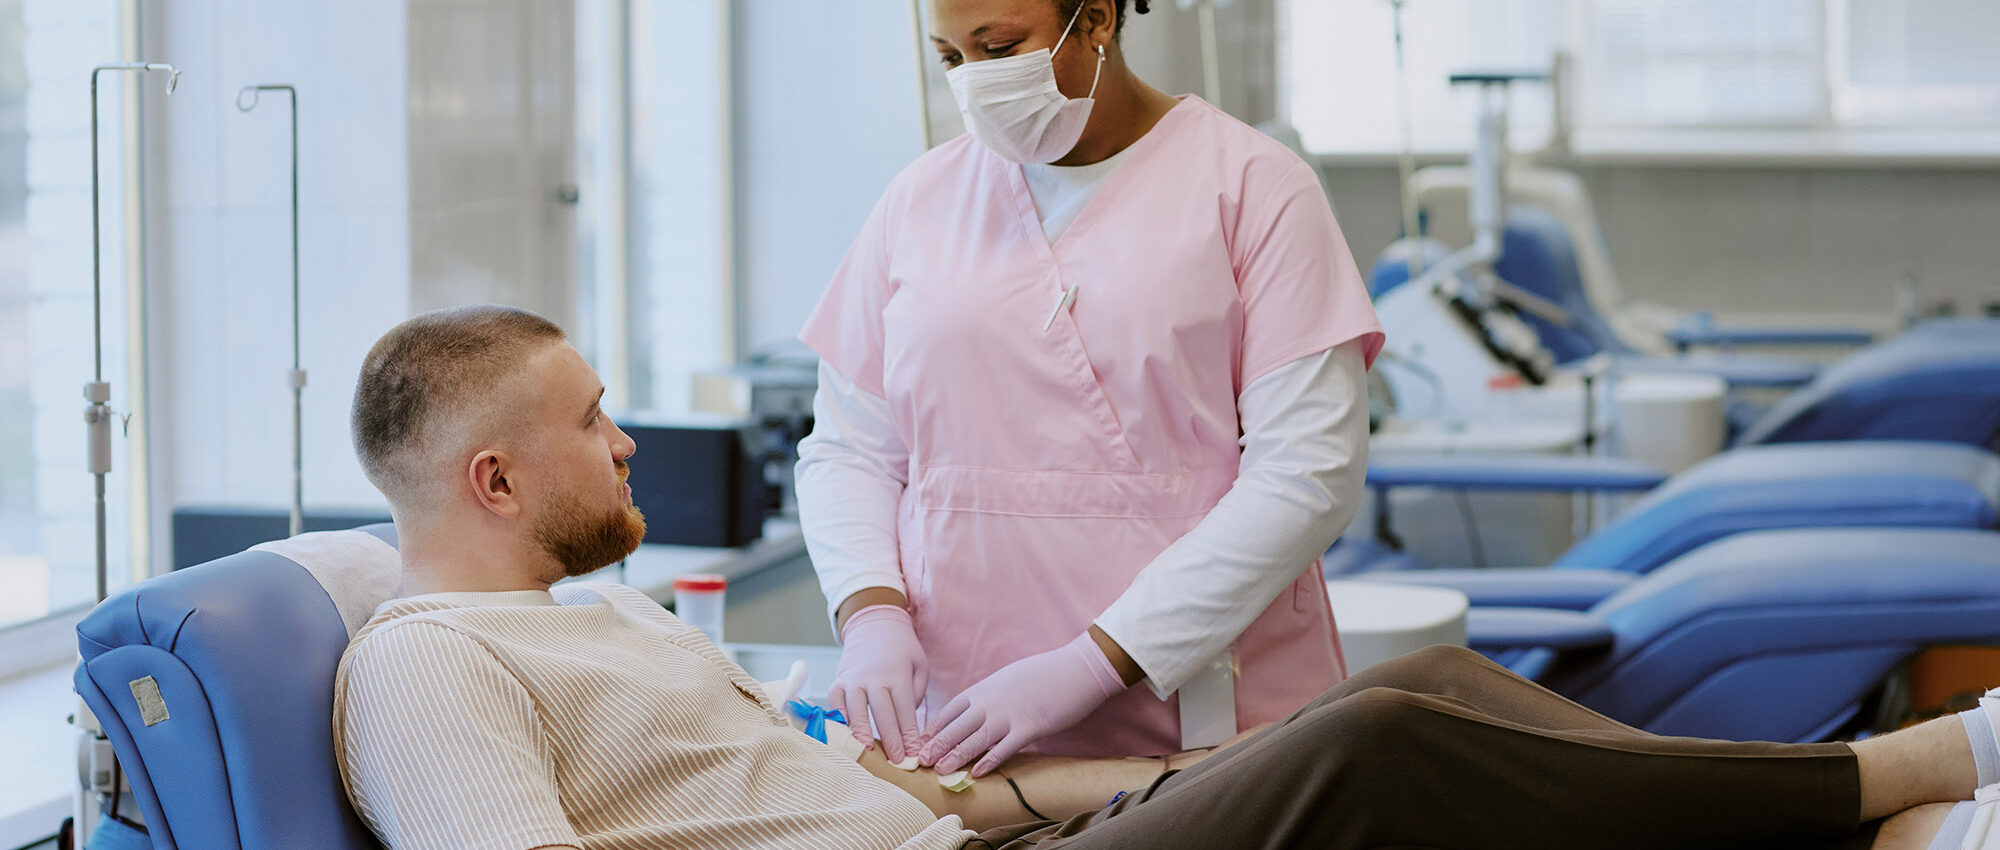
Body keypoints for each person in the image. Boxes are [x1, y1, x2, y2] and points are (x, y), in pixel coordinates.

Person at [336, 306, 1993, 850]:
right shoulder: (424, 668)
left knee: (1395, 696)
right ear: (491, 479)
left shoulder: (605, 619)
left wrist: (1151, 777)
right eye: (592, 422)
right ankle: (1899, 777)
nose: (628, 446)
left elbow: (894, 794)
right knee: (1380, 761)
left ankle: (1836, 802)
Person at [795, 0, 1384, 778]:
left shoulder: (1254, 188)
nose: (975, 81)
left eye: (1000, 47)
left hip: (1199, 715)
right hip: (960, 723)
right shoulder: (921, 198)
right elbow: (849, 446)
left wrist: (1093, 665)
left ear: (1098, 19)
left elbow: (1308, 473)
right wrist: (870, 608)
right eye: (950, 58)